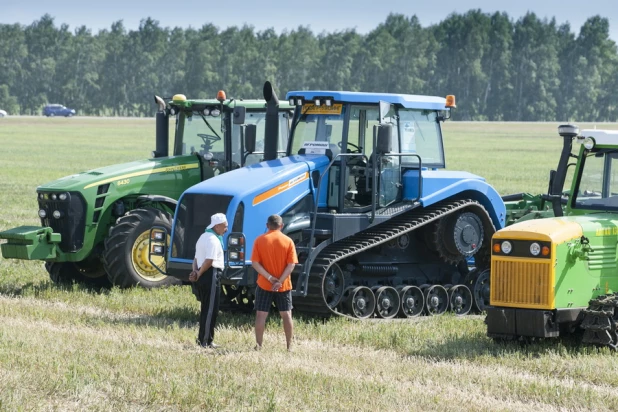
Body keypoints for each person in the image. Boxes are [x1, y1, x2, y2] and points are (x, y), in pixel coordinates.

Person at [251, 214, 298, 351]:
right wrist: (280, 281)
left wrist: (270, 278)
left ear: (267, 226)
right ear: (281, 226)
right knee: (286, 315)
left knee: (261, 314)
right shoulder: (288, 241)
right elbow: (291, 265)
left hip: (264, 284)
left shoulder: (260, 240)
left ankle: (259, 346)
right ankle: (289, 346)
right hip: (283, 286)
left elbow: (255, 263)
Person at [189, 212, 228, 348]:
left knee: (207, 308)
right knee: (211, 309)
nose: (226, 229)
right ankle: (205, 341)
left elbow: (195, 259)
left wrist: (195, 271)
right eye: (224, 226)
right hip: (210, 274)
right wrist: (199, 273)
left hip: (203, 272)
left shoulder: (202, 237)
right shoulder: (213, 240)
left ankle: (205, 338)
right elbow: (209, 260)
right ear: (217, 226)